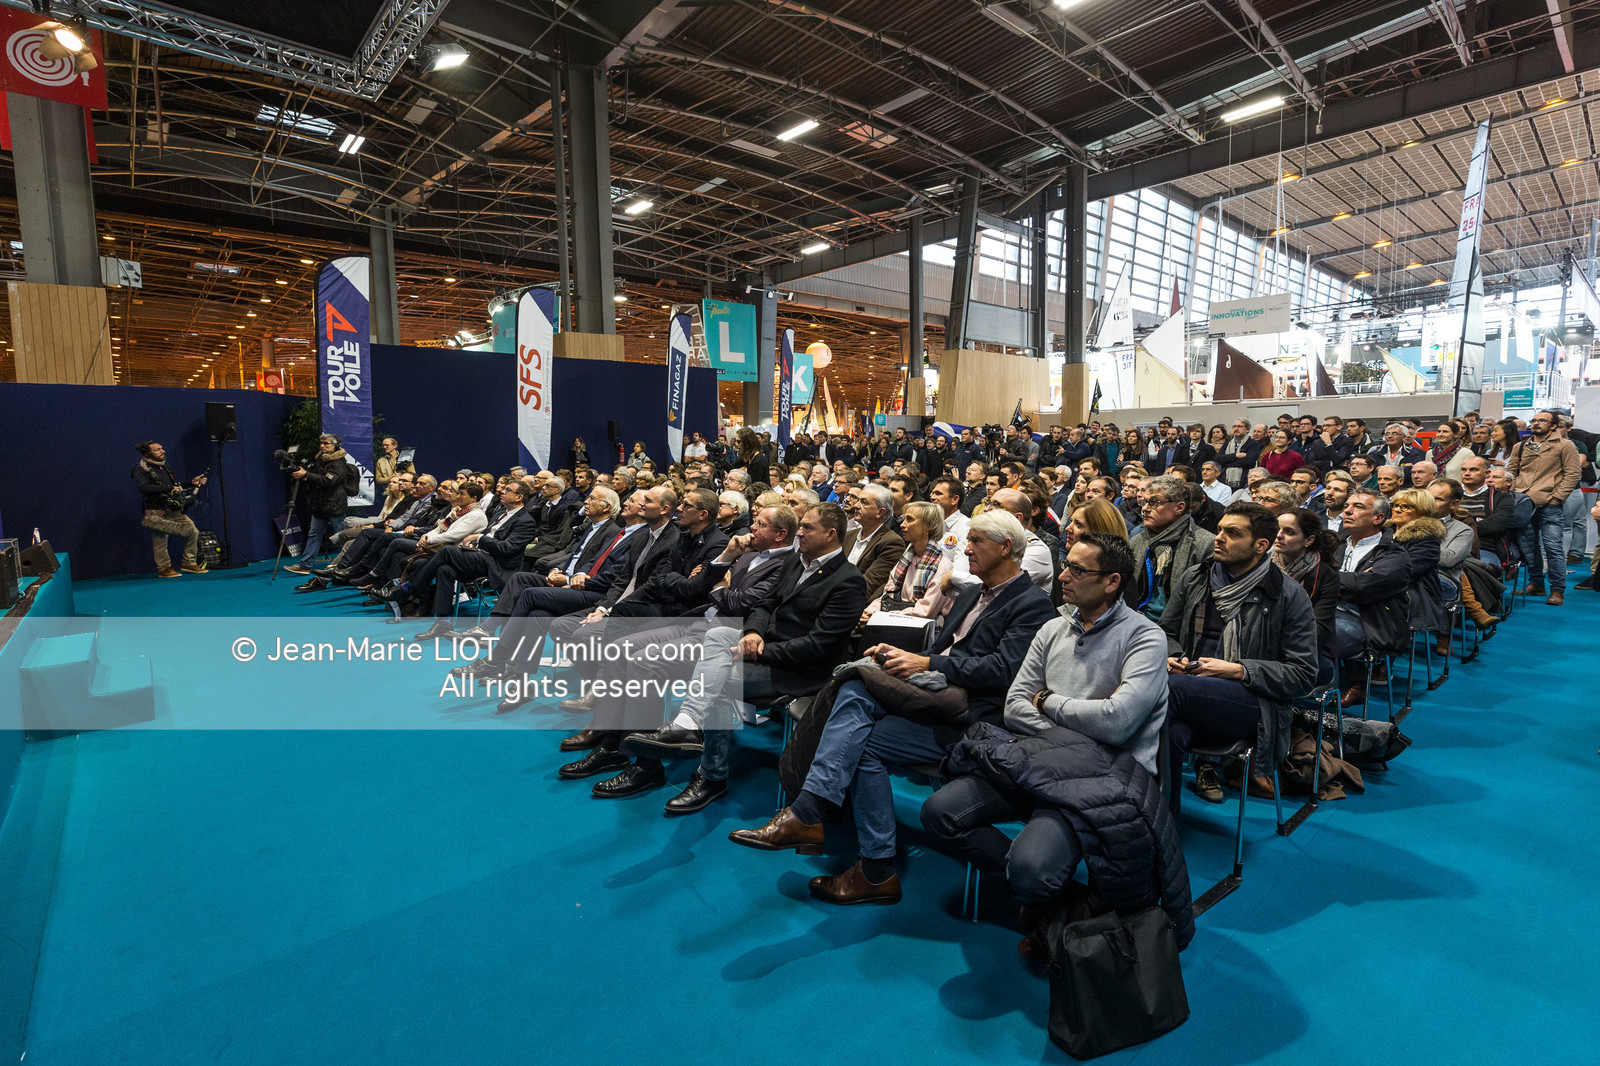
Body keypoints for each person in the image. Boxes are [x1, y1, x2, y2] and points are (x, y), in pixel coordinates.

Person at [728, 510, 1053, 904]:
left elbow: (1003, 671)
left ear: (1006, 547)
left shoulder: (1033, 604)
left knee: (854, 689)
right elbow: (940, 649)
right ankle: (871, 867)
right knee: (860, 716)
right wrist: (905, 656)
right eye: (967, 541)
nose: (965, 549)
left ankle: (816, 817)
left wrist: (928, 663)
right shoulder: (970, 592)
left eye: (976, 542)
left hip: (971, 719)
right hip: (934, 696)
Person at [919, 533, 1177, 937]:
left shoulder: (1145, 637)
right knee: (939, 813)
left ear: (1112, 582)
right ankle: (1064, 904)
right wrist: (1075, 721)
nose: (1063, 576)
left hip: (1101, 777)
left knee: (1032, 868)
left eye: (1077, 569)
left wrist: (1048, 701)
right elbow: (1015, 706)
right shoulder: (1053, 628)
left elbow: (1118, 722)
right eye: (1066, 564)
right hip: (1040, 759)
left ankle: (1041, 895)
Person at [621, 503, 865, 810]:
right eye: (800, 526)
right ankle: (688, 721)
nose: (799, 533)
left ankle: (711, 776)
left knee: (722, 680)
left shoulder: (849, 580)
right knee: (719, 634)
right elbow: (763, 605)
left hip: (803, 670)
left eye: (807, 528)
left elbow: (820, 646)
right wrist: (752, 633)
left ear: (831, 534)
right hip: (767, 648)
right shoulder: (796, 562)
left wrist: (761, 652)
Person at [1161, 502, 1318, 805]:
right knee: (1170, 732)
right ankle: (1163, 824)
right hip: (1188, 686)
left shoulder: (1287, 594)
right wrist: (1174, 655)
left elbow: (1303, 675)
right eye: (1219, 529)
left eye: (1232, 533)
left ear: (1261, 545)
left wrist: (1237, 670)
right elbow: (1165, 631)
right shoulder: (1197, 576)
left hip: (1251, 701)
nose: (1218, 537)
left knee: (1165, 691)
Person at [1331, 492, 1411, 709]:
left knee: (1314, 635)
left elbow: (1365, 587)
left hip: (1368, 621)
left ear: (1378, 518)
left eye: (1357, 507)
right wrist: (1353, 581)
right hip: (1327, 610)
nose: (1347, 510)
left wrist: (1329, 580)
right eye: (1347, 505)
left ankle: (1339, 687)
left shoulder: (1394, 553)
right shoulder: (1333, 544)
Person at [1506, 410, 1583, 604]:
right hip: (1524, 503)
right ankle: (1536, 584)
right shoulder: (1520, 446)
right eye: (1534, 420)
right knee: (1530, 547)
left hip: (1550, 503)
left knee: (1553, 547)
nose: (1536, 423)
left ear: (1554, 425)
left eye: (1542, 420)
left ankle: (1557, 590)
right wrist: (1516, 493)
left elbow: (1573, 474)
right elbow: (1511, 472)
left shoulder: (1566, 445)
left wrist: (1557, 498)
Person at [1127, 475, 1214, 622]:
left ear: (1179, 507)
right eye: (1144, 502)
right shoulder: (1137, 540)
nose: (1145, 509)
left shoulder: (1204, 545)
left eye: (1154, 502)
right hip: (1136, 622)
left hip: (1177, 630)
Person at [1273, 508, 1340, 685]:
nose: (1279, 535)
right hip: (1265, 643)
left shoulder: (1326, 575)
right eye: (1277, 529)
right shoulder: (1264, 564)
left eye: (1288, 532)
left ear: (1308, 540)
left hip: (1308, 651)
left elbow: (1319, 630)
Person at [861, 500, 955, 623]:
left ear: (928, 526)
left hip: (920, 629)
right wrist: (871, 611)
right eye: (904, 519)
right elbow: (888, 595)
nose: (902, 525)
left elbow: (925, 612)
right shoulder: (906, 558)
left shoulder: (942, 565)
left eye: (910, 519)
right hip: (892, 619)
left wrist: (881, 616)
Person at [132, 440, 208, 577]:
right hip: (155, 509)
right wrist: (169, 488)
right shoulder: (140, 468)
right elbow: (144, 487)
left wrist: (191, 483)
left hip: (172, 507)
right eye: (158, 450)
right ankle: (164, 568)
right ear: (148, 453)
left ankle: (189, 563)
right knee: (160, 540)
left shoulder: (165, 467)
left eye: (162, 448)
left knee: (193, 531)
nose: (163, 451)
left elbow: (175, 485)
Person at [284, 434, 357, 575]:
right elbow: (315, 477)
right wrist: (304, 474)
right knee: (314, 535)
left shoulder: (338, 463)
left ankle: (349, 565)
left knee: (342, 536)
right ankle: (305, 565)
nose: (322, 446)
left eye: (326, 443)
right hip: (319, 505)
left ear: (335, 445)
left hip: (335, 506)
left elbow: (329, 481)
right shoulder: (320, 460)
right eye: (321, 443)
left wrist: (307, 475)